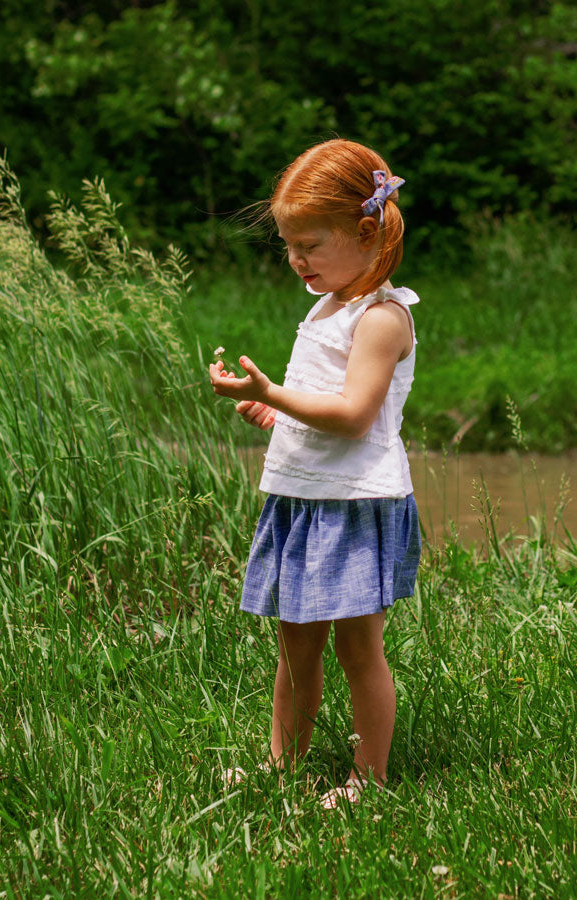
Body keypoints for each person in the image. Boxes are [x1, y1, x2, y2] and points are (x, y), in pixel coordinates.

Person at [209, 138, 421, 809]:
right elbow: (325, 408)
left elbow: (357, 416)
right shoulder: (327, 305)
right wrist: (277, 418)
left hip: (355, 505)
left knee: (360, 651)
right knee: (295, 647)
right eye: (289, 245)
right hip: (304, 498)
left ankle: (369, 777)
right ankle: (284, 763)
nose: (297, 259)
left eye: (311, 243)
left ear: (366, 233)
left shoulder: (382, 318)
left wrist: (275, 394)